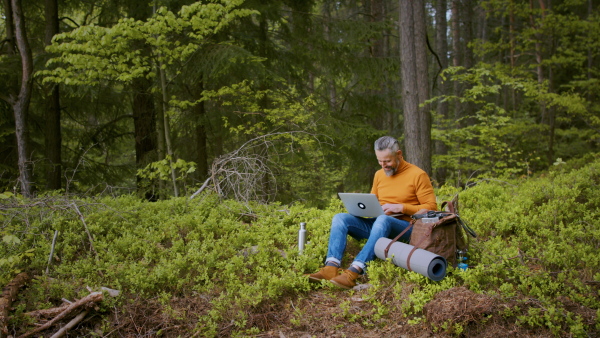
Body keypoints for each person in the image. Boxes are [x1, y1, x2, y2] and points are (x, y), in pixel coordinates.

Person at [308, 136, 437, 289]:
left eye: (387, 161)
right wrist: (361, 209)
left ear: (399, 154)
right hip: (379, 225)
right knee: (340, 218)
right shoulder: (379, 175)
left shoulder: (418, 175)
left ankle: (354, 271)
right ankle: (331, 267)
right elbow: (373, 201)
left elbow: (431, 208)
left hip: (405, 229)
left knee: (383, 220)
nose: (384, 166)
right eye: (380, 161)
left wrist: (402, 208)